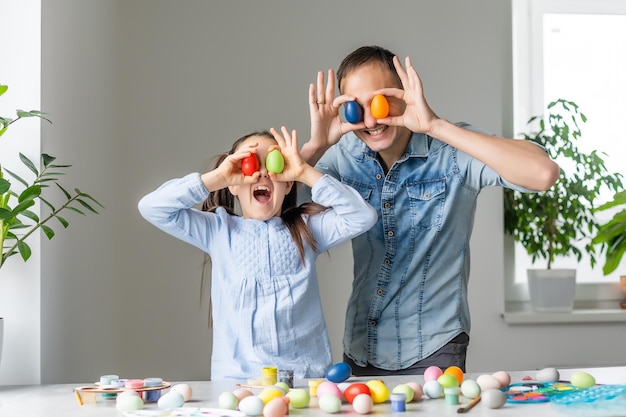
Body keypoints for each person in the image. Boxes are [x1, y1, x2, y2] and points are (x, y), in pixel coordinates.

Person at [300, 45, 560, 376]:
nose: (370, 119)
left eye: (380, 101)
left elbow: (542, 173)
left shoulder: (451, 152)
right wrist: (316, 147)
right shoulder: (343, 156)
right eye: (355, 106)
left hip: (434, 351)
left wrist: (435, 125)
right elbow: (278, 222)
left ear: (405, 94)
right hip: (360, 348)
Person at [138, 126, 377, 381]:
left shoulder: (308, 229)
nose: (262, 172)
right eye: (250, 165)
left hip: (305, 379)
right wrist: (217, 178)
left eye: (273, 165)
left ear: (287, 186)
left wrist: (304, 172)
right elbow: (152, 207)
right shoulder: (218, 231)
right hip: (237, 383)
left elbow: (363, 216)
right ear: (233, 185)